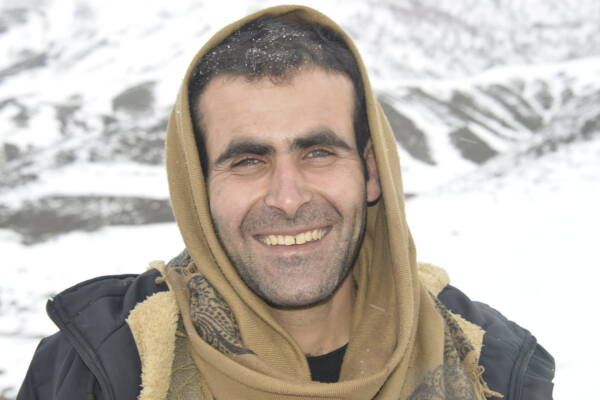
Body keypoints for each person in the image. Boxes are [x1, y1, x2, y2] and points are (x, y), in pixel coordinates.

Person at [17, 5, 555, 400]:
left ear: (371, 171)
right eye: (247, 161)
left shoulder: (493, 364)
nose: (289, 198)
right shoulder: (94, 368)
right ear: (199, 187)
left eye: (318, 152)